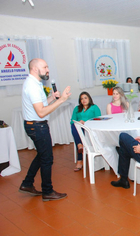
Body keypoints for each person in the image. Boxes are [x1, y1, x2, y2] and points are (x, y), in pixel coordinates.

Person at [20, 58, 71, 201]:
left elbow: (40, 105)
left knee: (42, 155)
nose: (48, 70)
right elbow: (41, 112)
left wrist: (52, 98)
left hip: (35, 125)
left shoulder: (35, 83)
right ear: (35, 69)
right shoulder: (33, 86)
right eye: (45, 67)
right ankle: (47, 191)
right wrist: (61, 100)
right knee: (47, 158)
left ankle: (27, 183)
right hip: (37, 126)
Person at [71, 92, 101, 171]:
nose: (83, 100)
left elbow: (98, 119)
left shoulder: (94, 107)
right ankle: (80, 146)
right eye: (81, 98)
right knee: (74, 126)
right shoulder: (77, 108)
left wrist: (85, 122)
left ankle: (80, 159)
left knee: (79, 129)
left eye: (85, 98)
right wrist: (78, 123)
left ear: (89, 98)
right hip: (79, 128)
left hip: (90, 128)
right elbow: (72, 121)